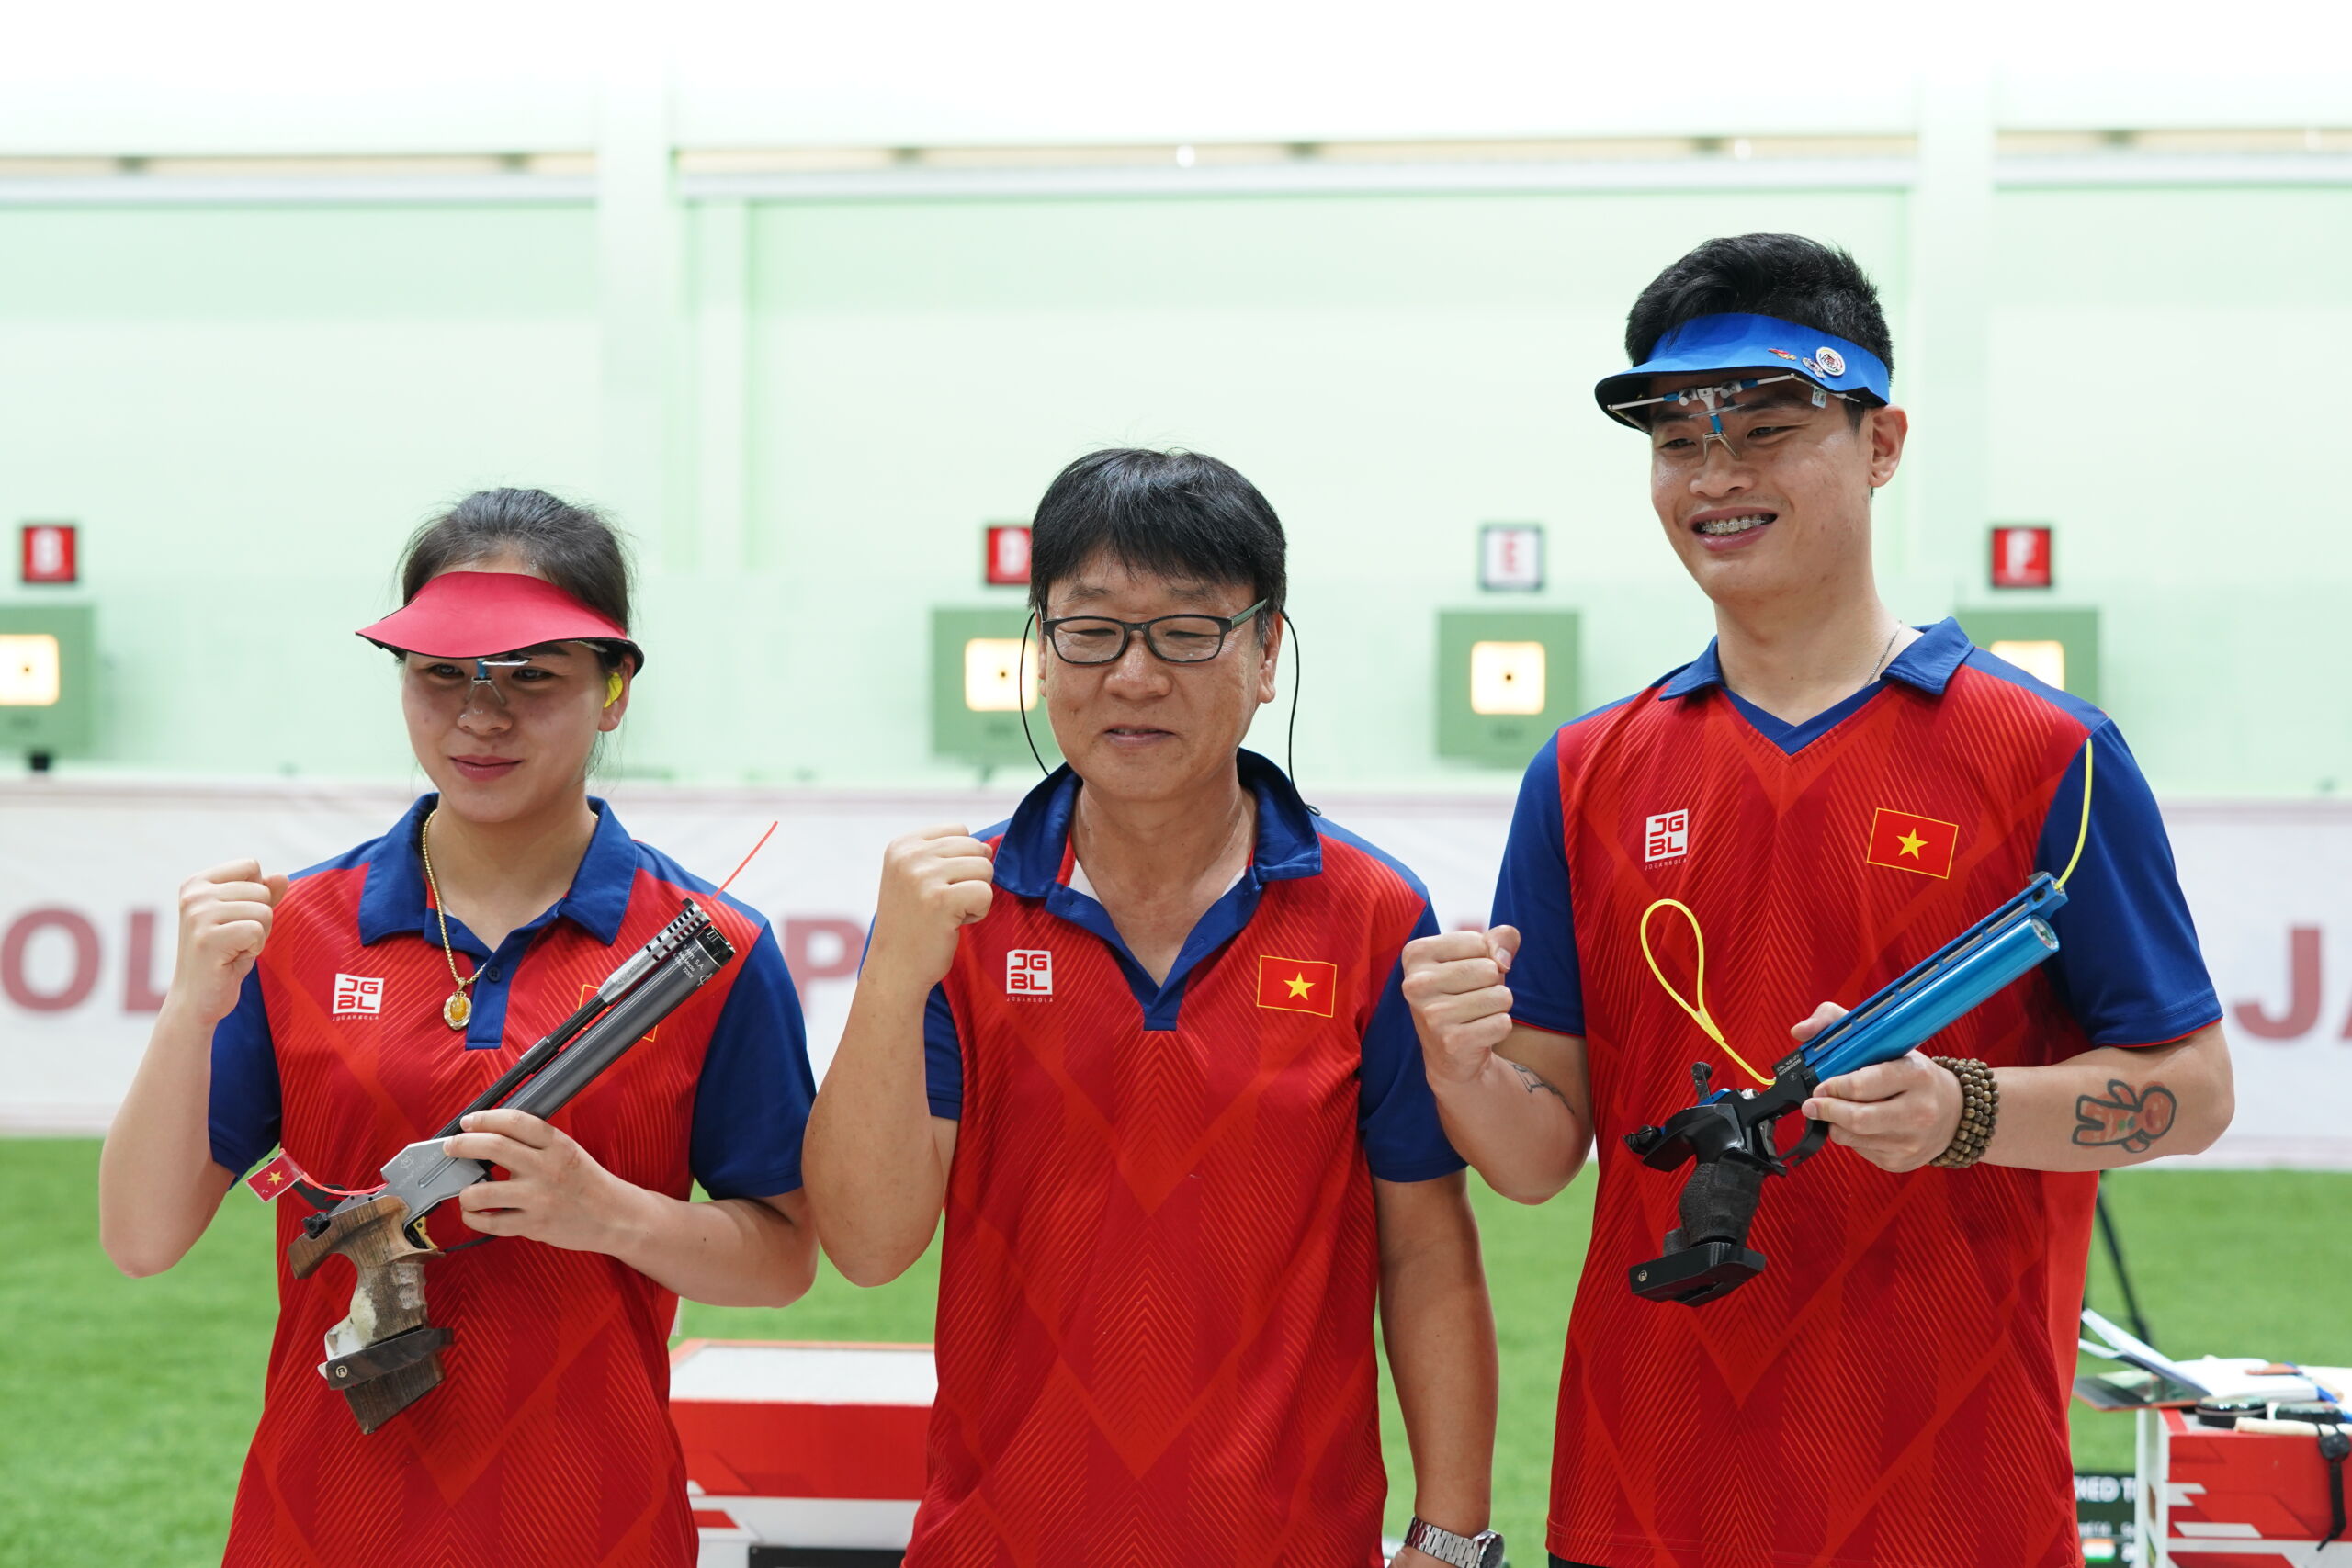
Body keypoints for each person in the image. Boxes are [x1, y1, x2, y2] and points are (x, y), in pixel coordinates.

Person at [1401, 235, 2232, 1568]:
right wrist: (1458, 1061)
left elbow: (2190, 1090)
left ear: (1881, 441)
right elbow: (1538, 1158)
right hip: (1641, 1493)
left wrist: (1965, 1111)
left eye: (1768, 430)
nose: (1715, 476)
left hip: (1954, 1504)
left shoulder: (2047, 754)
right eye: (1677, 441)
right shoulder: (1585, 770)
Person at [805, 448, 1503, 1568]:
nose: (1133, 677)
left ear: (1266, 653)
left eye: (1186, 631)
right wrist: (892, 977)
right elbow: (868, 1245)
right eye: (1091, 631)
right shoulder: (958, 913)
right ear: (1041, 650)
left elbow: (1424, 1248)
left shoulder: (1371, 913)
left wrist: (1451, 1538)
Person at [97, 489, 819, 1568]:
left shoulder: (709, 949)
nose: (481, 716)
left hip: (596, 1520)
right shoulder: (292, 930)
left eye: (531, 677)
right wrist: (188, 1008)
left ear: (613, 691)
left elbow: (783, 1260)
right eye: (442, 674)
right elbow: (141, 1239)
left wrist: (606, 1214)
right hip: (322, 1522)